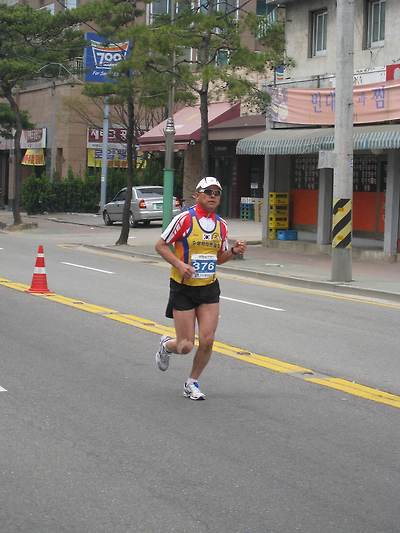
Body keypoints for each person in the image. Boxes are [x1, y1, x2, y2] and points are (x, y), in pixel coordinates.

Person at [154, 176, 247, 401]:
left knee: (207, 340)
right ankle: (167, 345)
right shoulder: (184, 219)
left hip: (208, 288)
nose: (213, 196)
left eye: (217, 193)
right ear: (197, 195)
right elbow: (160, 245)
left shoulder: (221, 225)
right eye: (208, 192)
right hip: (183, 288)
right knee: (185, 346)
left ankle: (192, 382)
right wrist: (179, 264)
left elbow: (218, 258)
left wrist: (233, 252)